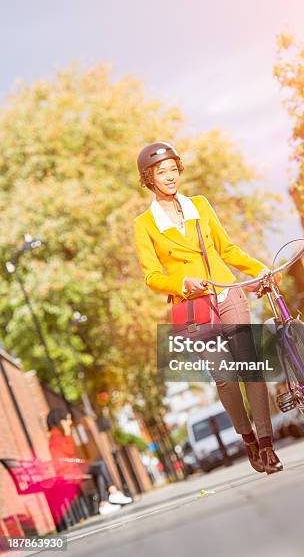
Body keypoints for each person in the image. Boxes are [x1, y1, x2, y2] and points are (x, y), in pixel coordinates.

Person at [134, 142, 283, 474]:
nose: (171, 177)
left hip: (227, 292)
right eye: (162, 172)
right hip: (193, 308)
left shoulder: (199, 205)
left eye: (174, 169)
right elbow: (151, 276)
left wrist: (257, 269)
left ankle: (268, 443)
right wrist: (182, 283)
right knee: (226, 378)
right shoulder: (144, 224)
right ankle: (248, 438)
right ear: (150, 178)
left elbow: (226, 248)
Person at [46, 408, 132, 515]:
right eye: (67, 420)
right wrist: (68, 434)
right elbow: (70, 451)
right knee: (100, 466)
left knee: (99, 469)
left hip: (72, 469)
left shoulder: (58, 435)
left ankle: (104, 503)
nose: (70, 422)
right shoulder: (56, 436)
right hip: (67, 472)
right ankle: (112, 494)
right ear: (61, 421)